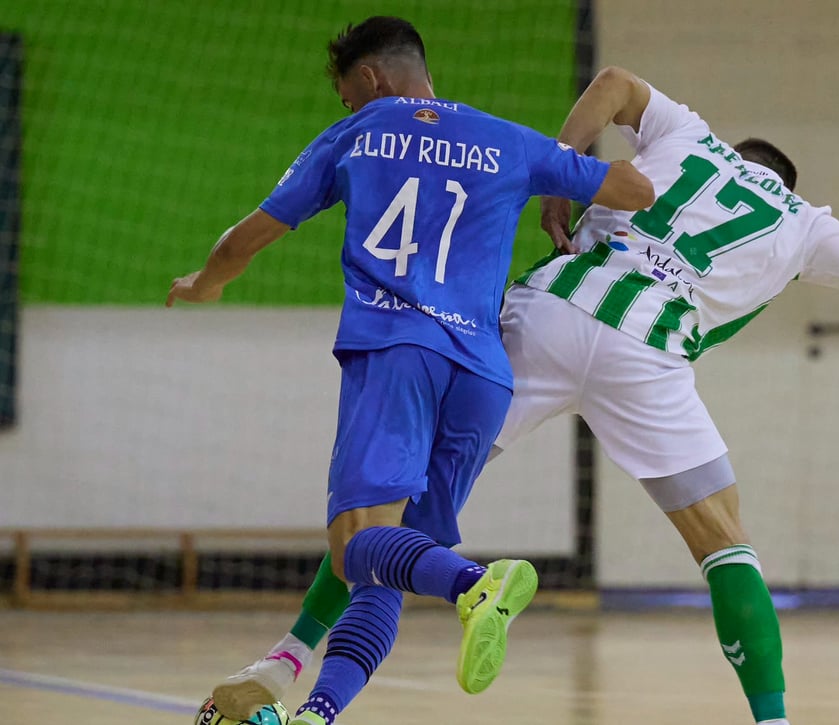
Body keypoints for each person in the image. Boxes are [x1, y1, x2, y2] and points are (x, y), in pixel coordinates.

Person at [210, 67, 839, 725]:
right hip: (649, 360)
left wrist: (564, 171)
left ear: (733, 155)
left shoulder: (687, 138)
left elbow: (614, 81)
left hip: (550, 313)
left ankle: (291, 667)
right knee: (724, 545)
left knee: (391, 514)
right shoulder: (802, 224)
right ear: (781, 182)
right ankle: (774, 720)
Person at [166, 18, 654, 725]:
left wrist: (207, 281)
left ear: (370, 79)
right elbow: (633, 188)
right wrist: (559, 183)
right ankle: (316, 710)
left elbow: (248, 236)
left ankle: (475, 583)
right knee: (386, 565)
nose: (348, 109)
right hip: (483, 373)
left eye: (346, 96)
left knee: (355, 545)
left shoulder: (361, 134)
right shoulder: (509, 139)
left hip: (398, 352)